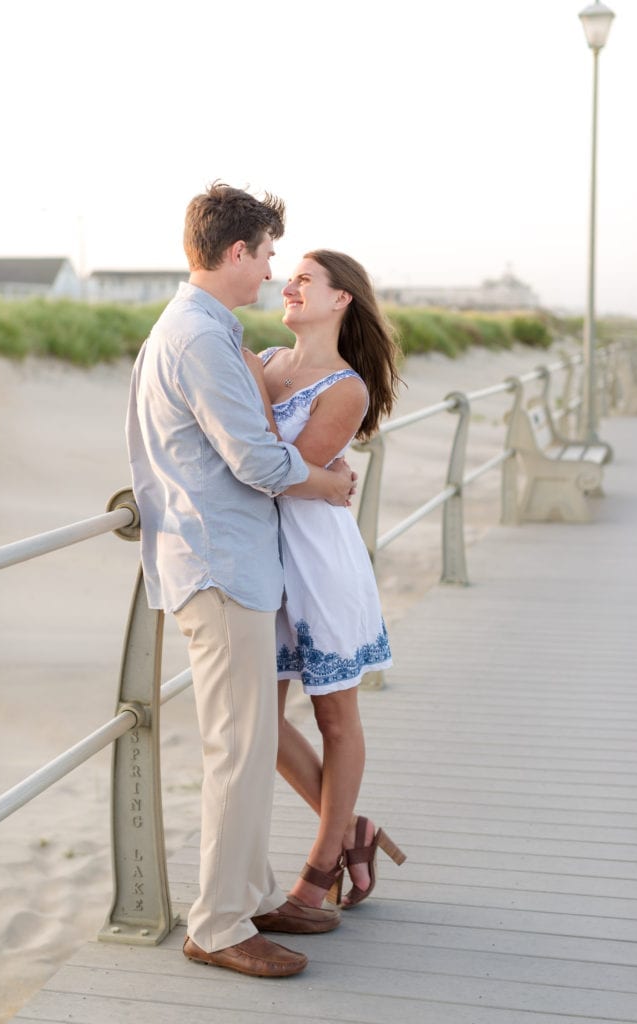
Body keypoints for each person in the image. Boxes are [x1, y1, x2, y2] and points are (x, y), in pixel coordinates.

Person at [125, 184, 358, 979]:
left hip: (226, 561)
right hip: (219, 565)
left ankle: (249, 891)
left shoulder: (207, 331)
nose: (267, 273)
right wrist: (327, 484)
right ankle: (219, 926)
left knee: (250, 744)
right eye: (263, 256)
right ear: (235, 252)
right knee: (236, 748)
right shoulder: (198, 337)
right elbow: (256, 460)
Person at [245, 249, 406, 913]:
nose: (289, 284)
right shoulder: (259, 361)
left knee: (333, 716)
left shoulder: (345, 388)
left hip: (318, 564)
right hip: (258, 563)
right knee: (257, 717)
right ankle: (351, 833)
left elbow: (277, 468)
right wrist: (251, 376)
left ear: (340, 299)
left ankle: (317, 871)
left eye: (304, 279)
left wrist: (250, 384)